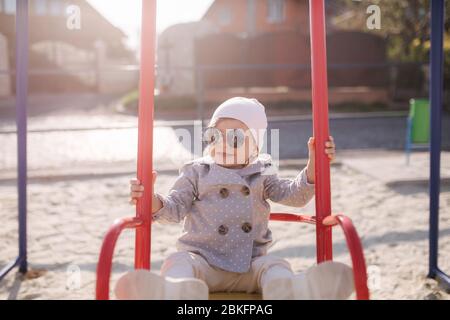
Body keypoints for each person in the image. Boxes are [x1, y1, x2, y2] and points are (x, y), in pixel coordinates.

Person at [116, 97, 353, 300]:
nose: (223, 145)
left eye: (236, 139)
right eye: (214, 136)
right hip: (203, 263)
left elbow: (293, 195)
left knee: (275, 265)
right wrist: (150, 198)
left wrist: (314, 163)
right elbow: (174, 209)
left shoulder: (263, 171)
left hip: (250, 265)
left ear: (255, 148)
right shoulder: (197, 171)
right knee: (178, 261)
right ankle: (177, 291)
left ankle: (294, 289)